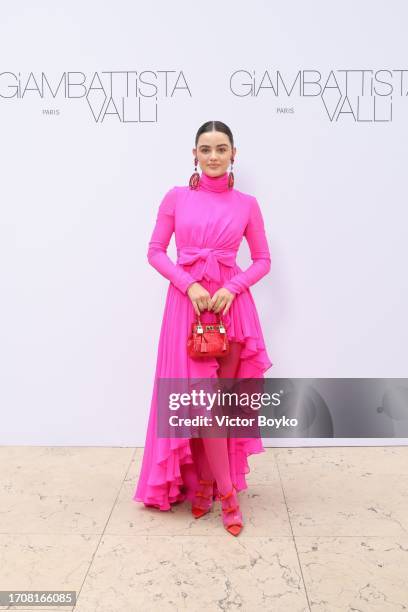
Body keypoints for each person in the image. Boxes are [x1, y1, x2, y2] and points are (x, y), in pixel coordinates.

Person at [133, 120, 273, 536]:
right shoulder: (176, 198)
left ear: (234, 154)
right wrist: (189, 284)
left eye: (221, 148)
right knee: (201, 401)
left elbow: (263, 259)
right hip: (187, 307)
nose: (213, 156)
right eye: (206, 149)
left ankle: (211, 482)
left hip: (232, 309)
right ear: (194, 154)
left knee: (222, 405)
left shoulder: (247, 204)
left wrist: (233, 286)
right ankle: (227, 496)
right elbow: (155, 252)